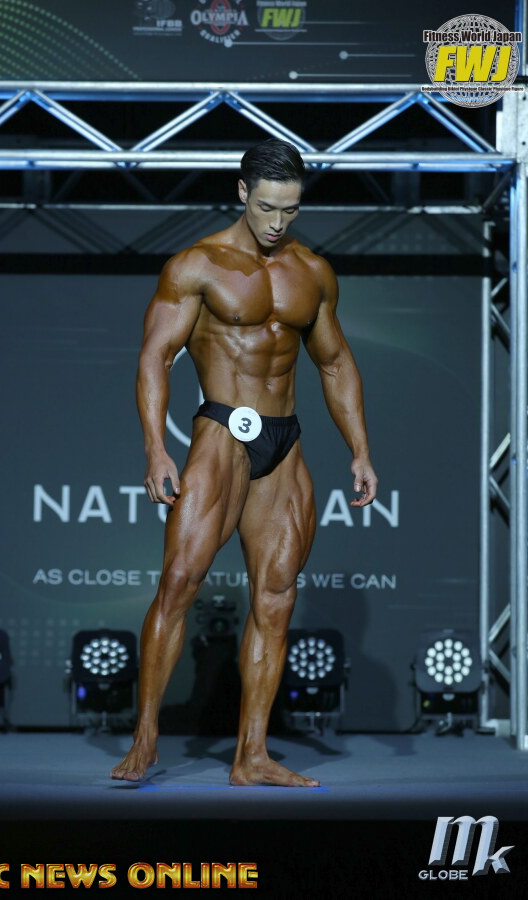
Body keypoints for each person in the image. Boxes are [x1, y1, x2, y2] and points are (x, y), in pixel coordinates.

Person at [111, 138, 378, 787]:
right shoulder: (197, 265)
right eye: (266, 207)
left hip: (285, 441)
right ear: (242, 193)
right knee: (179, 582)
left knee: (277, 598)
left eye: (289, 209)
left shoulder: (313, 272)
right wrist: (155, 448)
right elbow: (154, 356)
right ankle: (145, 739)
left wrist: (361, 451)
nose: (277, 222)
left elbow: (334, 363)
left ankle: (251, 755)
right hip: (222, 432)